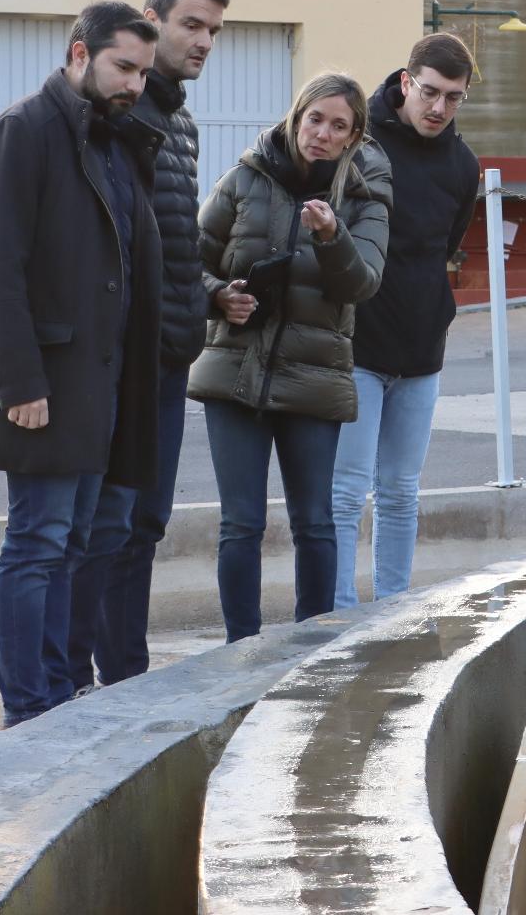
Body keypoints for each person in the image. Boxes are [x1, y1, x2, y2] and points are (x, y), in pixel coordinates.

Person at [0, 1, 163, 727]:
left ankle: (57, 692)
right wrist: (20, 383)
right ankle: (28, 708)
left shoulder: (115, 142)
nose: (134, 83)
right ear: (80, 55)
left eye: (142, 71)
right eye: (123, 66)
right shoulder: (21, 134)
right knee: (37, 543)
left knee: (73, 543)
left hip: (99, 384)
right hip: (46, 383)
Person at [67, 0, 230, 689]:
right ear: (152, 18)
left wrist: (211, 293)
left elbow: (174, 240)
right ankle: (79, 677)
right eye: (190, 24)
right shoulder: (123, 118)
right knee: (106, 529)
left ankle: (123, 678)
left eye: (213, 32)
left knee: (144, 526)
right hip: (122, 358)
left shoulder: (181, 121)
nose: (202, 41)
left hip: (169, 355)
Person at [190, 73, 391, 639]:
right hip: (234, 373)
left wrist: (332, 237)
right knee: (240, 524)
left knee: (315, 523)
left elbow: (363, 283)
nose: (322, 134)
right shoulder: (244, 179)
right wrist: (216, 295)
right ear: (295, 117)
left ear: (353, 138)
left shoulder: (361, 195)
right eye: (314, 119)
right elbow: (188, 261)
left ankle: (311, 649)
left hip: (314, 378)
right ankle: (240, 650)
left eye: (338, 126)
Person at [331, 33, 480, 608]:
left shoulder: (462, 165)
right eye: (430, 92)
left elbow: (448, 246)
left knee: (400, 491)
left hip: (422, 353)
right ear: (405, 82)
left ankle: (393, 608)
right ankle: (338, 613)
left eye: (453, 98)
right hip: (357, 347)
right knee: (345, 491)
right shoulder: (359, 143)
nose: (439, 108)